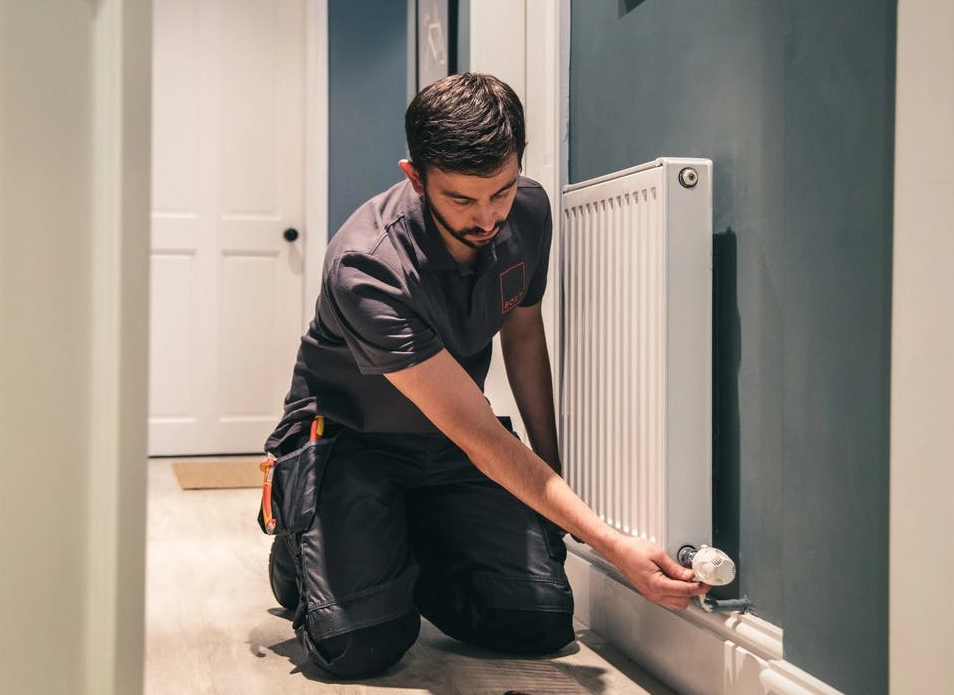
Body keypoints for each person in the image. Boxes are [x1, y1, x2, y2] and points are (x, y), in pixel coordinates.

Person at [264, 72, 708, 679]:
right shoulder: (366, 266)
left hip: (445, 443)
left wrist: (550, 471)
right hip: (349, 441)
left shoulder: (528, 210)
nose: (488, 217)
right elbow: (481, 436)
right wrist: (607, 543)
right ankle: (300, 550)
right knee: (361, 647)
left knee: (539, 623)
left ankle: (394, 547)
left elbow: (523, 333)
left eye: (500, 191)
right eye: (461, 200)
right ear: (415, 177)